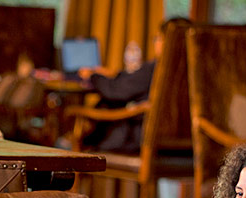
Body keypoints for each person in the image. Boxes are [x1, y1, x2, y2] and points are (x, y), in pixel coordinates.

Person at [75, 18, 191, 153]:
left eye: (158, 38)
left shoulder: (157, 69)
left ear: (167, 41)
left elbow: (115, 91)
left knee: (104, 108)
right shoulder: (195, 73)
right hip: (185, 152)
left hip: (140, 145)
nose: (156, 43)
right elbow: (132, 83)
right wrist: (117, 74)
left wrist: (92, 76)